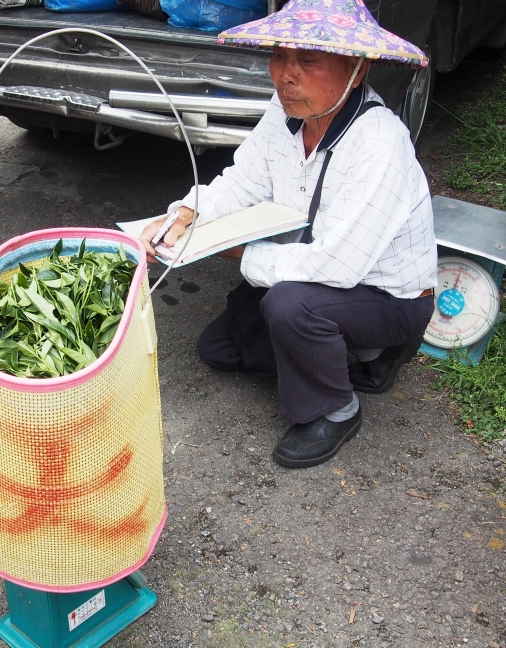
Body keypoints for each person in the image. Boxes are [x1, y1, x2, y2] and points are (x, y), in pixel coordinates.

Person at [141, 0, 437, 468]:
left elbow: (334, 267)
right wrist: (184, 213)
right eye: (279, 56)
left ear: (356, 72)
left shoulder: (379, 142)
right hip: (320, 274)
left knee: (289, 306)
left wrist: (234, 250)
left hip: (386, 295)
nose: (285, 75)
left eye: (308, 61)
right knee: (218, 349)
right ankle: (358, 353)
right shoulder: (286, 114)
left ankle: (336, 408)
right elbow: (242, 182)